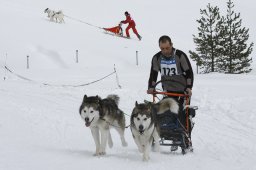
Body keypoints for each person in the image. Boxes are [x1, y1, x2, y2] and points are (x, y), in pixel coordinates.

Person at [147, 35, 194, 150]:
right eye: (162, 48)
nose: (165, 51)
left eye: (167, 48)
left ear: (171, 45)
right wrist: (151, 87)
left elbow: (189, 73)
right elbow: (153, 74)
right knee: (163, 112)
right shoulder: (157, 58)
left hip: (182, 91)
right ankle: (169, 135)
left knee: (182, 113)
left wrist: (189, 87)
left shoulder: (179, 55)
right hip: (167, 90)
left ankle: (185, 139)